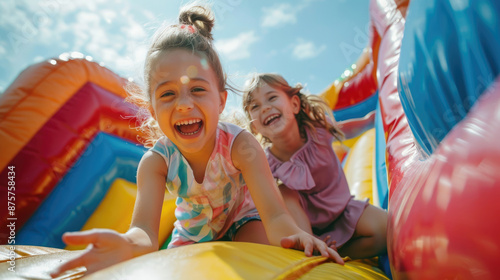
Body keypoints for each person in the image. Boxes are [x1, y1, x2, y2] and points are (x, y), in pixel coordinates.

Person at [50, 4, 343, 277]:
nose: (183, 105)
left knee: (261, 254)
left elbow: (275, 215)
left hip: (245, 220)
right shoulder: (155, 163)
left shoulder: (240, 146)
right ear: (152, 109)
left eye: (198, 90)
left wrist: (295, 235)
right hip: (192, 235)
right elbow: (145, 234)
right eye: (167, 94)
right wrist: (128, 244)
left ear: (221, 100)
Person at [242, 73, 387, 259]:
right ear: (255, 128)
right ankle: (311, 245)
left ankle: (336, 252)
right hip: (306, 227)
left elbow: (344, 130)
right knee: (283, 191)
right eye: (255, 106)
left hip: (344, 211)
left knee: (384, 229)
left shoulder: (317, 131)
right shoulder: (266, 163)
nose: (265, 108)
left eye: (272, 98)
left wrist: (369, 121)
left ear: (294, 104)